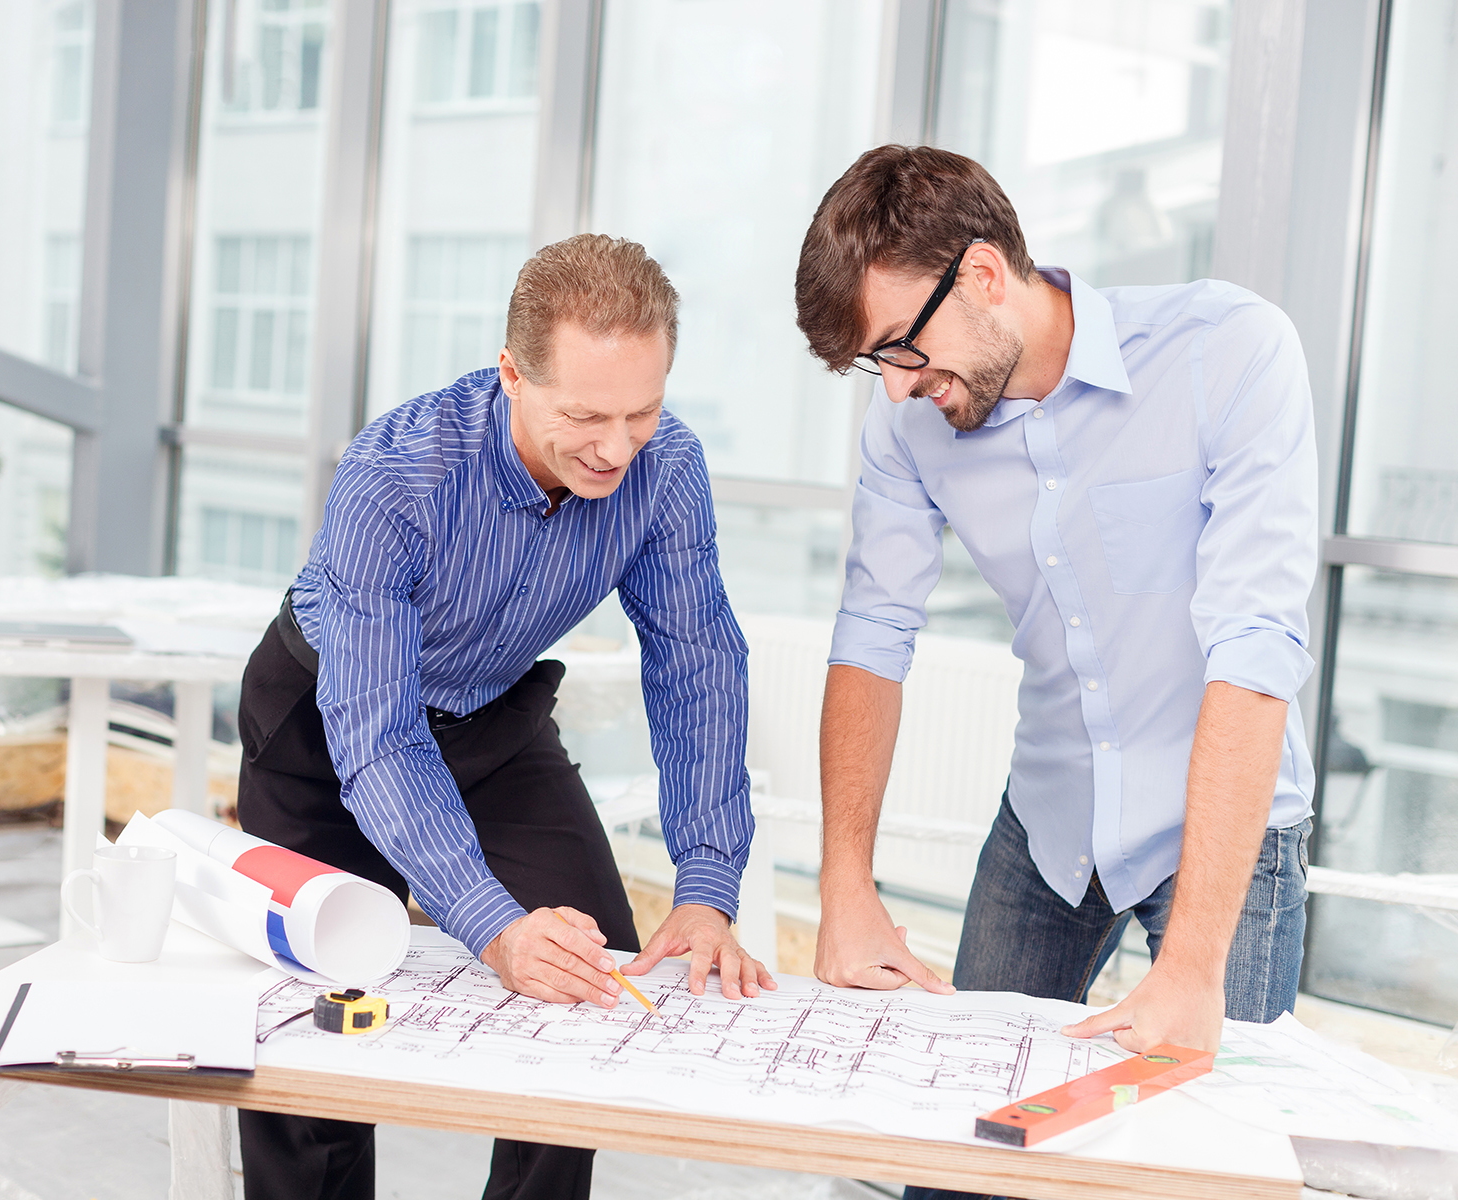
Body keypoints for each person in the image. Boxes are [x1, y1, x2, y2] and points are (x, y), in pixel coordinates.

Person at [793, 146, 1317, 1200]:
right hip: (1047, 821)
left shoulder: (1230, 351)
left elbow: (1255, 646)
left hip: (1220, 835)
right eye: (875, 365)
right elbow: (871, 632)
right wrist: (844, 886)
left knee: (1209, 1169)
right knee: (957, 1161)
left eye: (902, 348)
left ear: (985, 276)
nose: (898, 387)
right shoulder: (907, 424)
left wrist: (1192, 971)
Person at [235, 232, 776, 1200]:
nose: (616, 448)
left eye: (641, 413)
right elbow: (381, 735)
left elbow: (697, 666)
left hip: (494, 720)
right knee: (316, 1035)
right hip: (327, 729)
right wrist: (492, 925)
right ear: (511, 375)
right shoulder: (393, 477)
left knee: (589, 984)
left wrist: (706, 887)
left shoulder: (669, 469)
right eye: (585, 415)